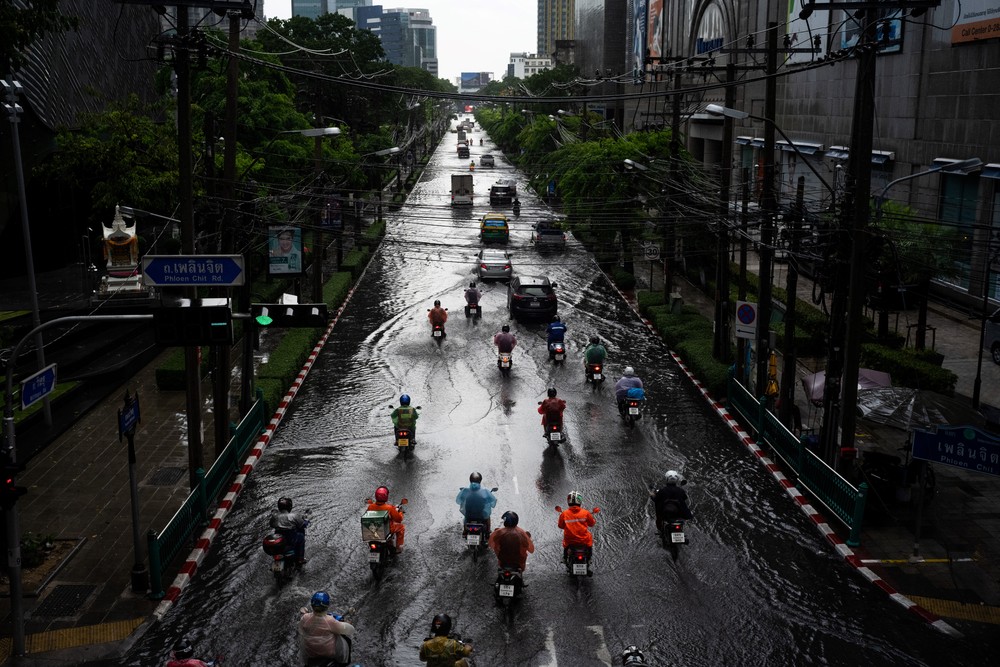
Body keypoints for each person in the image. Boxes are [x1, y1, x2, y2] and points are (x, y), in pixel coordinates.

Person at [298, 591, 355, 666]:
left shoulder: (305, 618)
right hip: (328, 653)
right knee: (347, 640)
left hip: (310, 653)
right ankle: (344, 664)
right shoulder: (330, 621)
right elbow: (350, 631)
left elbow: (301, 631)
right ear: (327, 605)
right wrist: (347, 624)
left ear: (312, 605)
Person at [558, 490, 596, 564]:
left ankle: (565, 558)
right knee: (590, 538)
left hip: (570, 540)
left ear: (568, 501)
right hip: (583, 539)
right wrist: (593, 519)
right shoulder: (586, 513)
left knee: (565, 543)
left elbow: (560, 526)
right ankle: (589, 557)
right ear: (580, 501)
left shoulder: (564, 514)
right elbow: (591, 524)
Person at [269, 497, 307, 564]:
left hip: (279, 542)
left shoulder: (274, 517)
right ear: (290, 506)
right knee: (301, 537)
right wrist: (306, 521)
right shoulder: (294, 516)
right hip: (291, 541)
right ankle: (301, 559)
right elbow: (303, 525)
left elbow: (271, 525)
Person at [367, 485, 406, 551]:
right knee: (401, 527)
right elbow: (399, 519)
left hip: (374, 529)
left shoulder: (371, 506)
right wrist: (401, 513)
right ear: (386, 496)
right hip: (387, 529)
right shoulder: (389, 508)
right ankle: (398, 547)